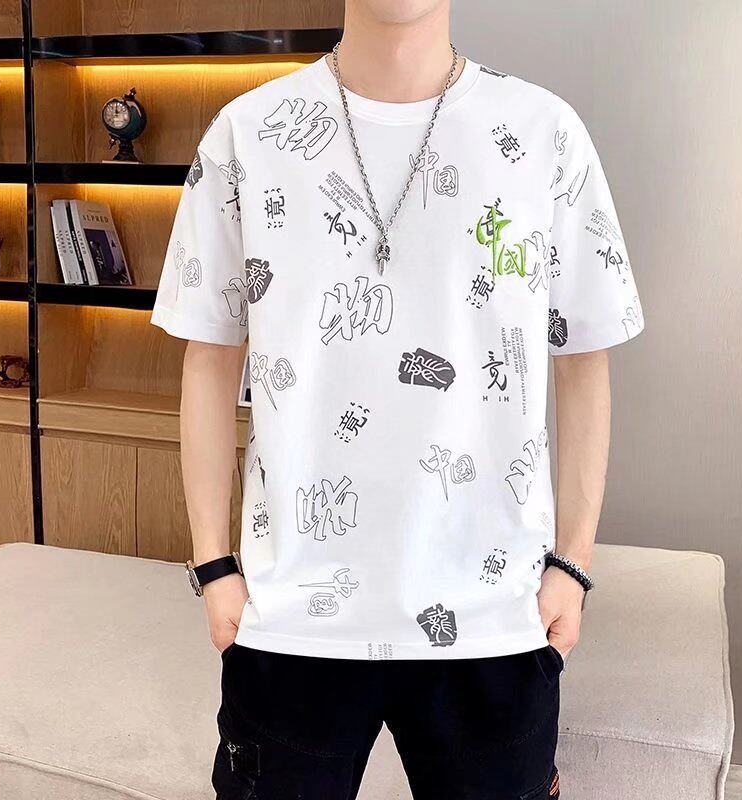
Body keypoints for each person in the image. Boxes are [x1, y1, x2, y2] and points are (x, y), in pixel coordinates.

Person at [150, 1, 644, 797]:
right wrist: (213, 566)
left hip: (494, 613)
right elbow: (208, 358)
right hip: (291, 616)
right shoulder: (248, 133)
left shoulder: (543, 132)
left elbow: (583, 359)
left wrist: (572, 564)